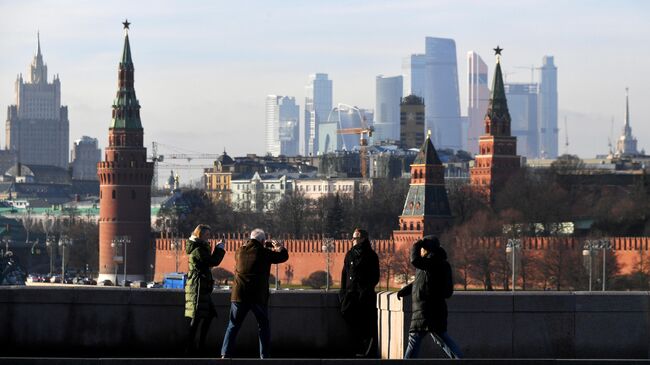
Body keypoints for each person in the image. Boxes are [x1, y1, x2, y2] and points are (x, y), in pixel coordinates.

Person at [220, 228, 289, 359]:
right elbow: (283, 257)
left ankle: (225, 353)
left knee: (233, 325)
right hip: (257, 296)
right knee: (263, 326)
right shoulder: (264, 253)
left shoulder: (239, 252)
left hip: (239, 295)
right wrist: (279, 247)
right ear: (263, 241)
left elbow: (248, 247)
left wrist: (254, 243)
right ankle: (264, 356)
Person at [397, 236, 462, 359]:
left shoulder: (432, 262)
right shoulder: (433, 262)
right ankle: (460, 360)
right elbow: (420, 282)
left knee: (414, 338)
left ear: (426, 249)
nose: (420, 250)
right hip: (431, 309)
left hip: (426, 309)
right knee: (441, 338)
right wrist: (404, 291)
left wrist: (417, 243)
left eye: (422, 248)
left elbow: (414, 260)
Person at [184, 224, 225, 354]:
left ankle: (199, 345)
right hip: (198, 287)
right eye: (207, 235)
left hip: (203, 287)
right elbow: (212, 262)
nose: (209, 237)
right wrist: (219, 248)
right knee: (196, 318)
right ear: (200, 235)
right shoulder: (198, 249)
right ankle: (191, 348)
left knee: (208, 315)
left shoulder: (201, 247)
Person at [339, 228, 380, 358]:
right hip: (350, 294)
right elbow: (344, 274)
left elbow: (375, 276)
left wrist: (366, 289)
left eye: (355, 238)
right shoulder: (350, 254)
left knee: (365, 322)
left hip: (364, 295)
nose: (352, 240)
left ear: (363, 239)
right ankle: (358, 346)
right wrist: (343, 293)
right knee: (346, 312)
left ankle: (365, 349)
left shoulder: (371, 255)